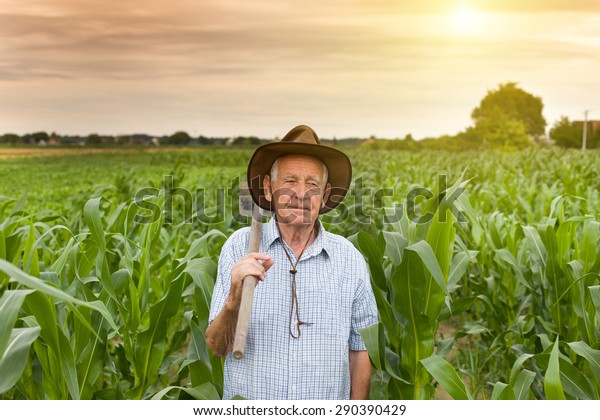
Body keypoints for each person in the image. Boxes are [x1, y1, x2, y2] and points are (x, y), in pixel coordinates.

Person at [205, 125, 378, 400]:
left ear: (325, 194)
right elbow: (216, 347)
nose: (301, 193)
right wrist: (233, 301)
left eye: (312, 184)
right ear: (267, 188)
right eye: (289, 181)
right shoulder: (239, 248)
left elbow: (360, 351)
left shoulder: (349, 259)